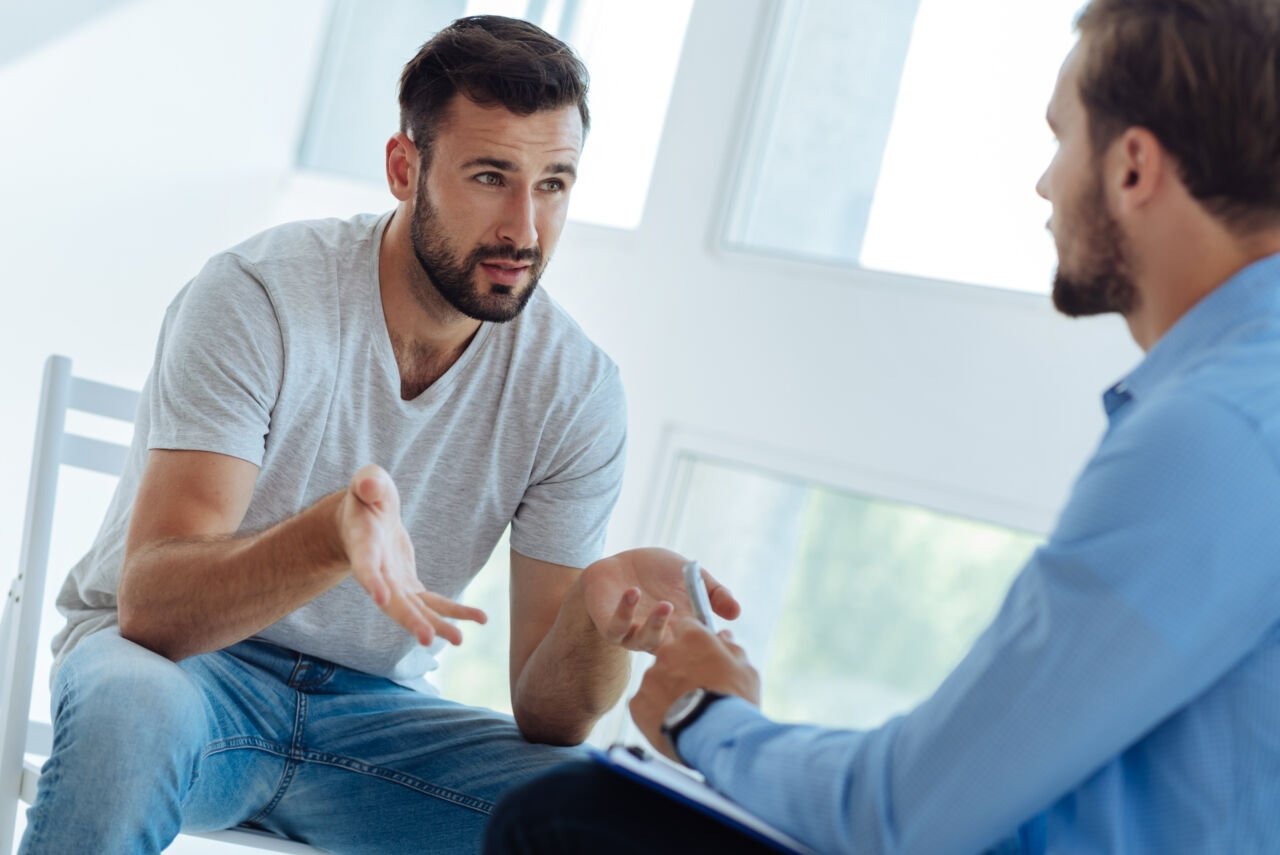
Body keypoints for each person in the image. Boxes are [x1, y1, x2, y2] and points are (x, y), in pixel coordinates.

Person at [484, 0, 1280, 852]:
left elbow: (903, 812)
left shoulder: (1215, 433)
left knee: (568, 821)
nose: (1046, 184)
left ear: (1131, 168)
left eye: (1061, 138)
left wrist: (703, 711)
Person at [20, 15, 739, 855]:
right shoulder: (259, 296)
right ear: (406, 168)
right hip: (184, 678)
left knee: (608, 810)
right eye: (489, 175)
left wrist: (597, 616)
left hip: (374, 722)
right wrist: (330, 536)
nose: (525, 229)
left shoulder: (576, 390)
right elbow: (152, 608)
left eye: (554, 184)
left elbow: (548, 715)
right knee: (129, 707)